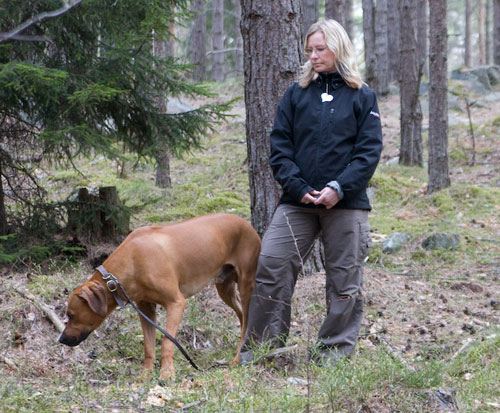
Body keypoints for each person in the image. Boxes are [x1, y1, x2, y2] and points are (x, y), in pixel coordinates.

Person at [240, 19, 383, 365]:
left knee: (344, 280)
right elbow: (279, 148)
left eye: (321, 49)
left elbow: (369, 152)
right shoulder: (296, 94)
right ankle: (263, 352)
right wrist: (299, 188)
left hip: (347, 205)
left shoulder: (362, 96)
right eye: (310, 51)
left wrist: (338, 188)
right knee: (272, 264)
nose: (314, 56)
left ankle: (332, 355)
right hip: (297, 203)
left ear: (338, 48)